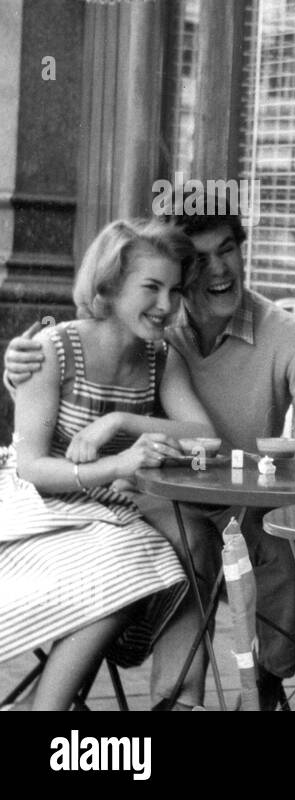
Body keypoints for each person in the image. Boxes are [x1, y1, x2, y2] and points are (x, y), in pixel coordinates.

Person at [5, 202, 295, 709]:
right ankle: (172, 697)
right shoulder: (156, 329)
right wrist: (18, 371)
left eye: (227, 250)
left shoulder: (278, 335)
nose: (218, 270)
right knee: (185, 549)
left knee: (276, 553)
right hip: (142, 498)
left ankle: (254, 688)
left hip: (240, 500)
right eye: (199, 261)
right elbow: (71, 376)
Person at [0, 219, 216, 710]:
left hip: (109, 510)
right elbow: (32, 467)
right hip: (40, 508)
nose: (166, 305)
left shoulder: (162, 359)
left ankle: (176, 699)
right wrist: (113, 464)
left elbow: (205, 436)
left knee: (196, 537)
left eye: (176, 290)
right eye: (151, 288)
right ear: (110, 287)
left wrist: (122, 419)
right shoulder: (53, 350)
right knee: (117, 574)